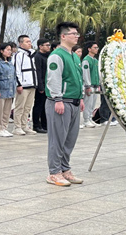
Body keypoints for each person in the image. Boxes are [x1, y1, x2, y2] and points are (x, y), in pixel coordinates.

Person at [45, 22, 85, 187]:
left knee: (70, 138)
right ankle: (54, 172)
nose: (76, 36)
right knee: (58, 139)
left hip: (74, 102)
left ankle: (65, 169)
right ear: (63, 36)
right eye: (73, 34)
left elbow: (78, 78)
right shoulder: (57, 55)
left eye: (77, 34)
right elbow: (54, 79)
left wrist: (81, 97)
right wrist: (57, 99)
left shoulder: (74, 56)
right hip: (61, 102)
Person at [13, 35, 37, 135]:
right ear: (21, 43)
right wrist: (19, 84)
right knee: (20, 107)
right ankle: (17, 127)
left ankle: (24, 125)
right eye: (27, 42)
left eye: (30, 41)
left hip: (32, 84)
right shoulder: (18, 55)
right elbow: (16, 70)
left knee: (28, 107)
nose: (29, 43)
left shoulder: (32, 55)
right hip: (23, 85)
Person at [0, 43, 15, 137]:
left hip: (10, 90)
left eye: (10, 50)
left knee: (7, 110)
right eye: (7, 49)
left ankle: (4, 127)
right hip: (1, 89)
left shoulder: (10, 63)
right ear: (1, 51)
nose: (9, 51)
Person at [32, 38, 51, 133]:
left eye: (49, 45)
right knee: (38, 105)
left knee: (45, 106)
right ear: (40, 46)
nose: (49, 47)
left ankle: (45, 124)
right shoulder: (38, 56)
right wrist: (40, 86)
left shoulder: (48, 56)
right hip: (41, 84)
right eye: (46, 45)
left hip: (48, 84)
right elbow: (38, 72)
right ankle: (36, 125)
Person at [81, 41, 100, 129]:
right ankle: (86, 120)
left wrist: (99, 83)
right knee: (88, 103)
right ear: (89, 49)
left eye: (97, 47)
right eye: (95, 47)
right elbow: (86, 74)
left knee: (92, 103)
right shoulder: (86, 60)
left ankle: (90, 118)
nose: (97, 49)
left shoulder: (95, 60)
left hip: (96, 85)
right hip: (90, 85)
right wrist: (87, 85)